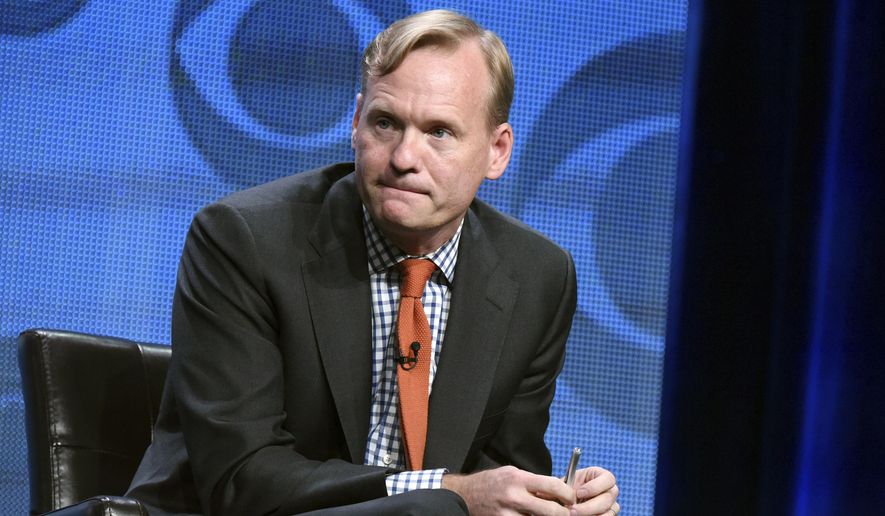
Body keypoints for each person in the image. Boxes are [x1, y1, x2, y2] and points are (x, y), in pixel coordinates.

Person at [127, 9, 619, 515]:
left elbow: (502, 471)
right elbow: (241, 478)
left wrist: (554, 500)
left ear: (497, 151)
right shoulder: (244, 240)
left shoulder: (537, 276)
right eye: (386, 123)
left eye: (439, 132)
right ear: (357, 121)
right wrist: (442, 492)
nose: (405, 156)